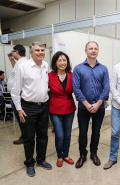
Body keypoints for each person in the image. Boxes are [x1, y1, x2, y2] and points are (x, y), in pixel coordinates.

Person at [11, 41, 52, 177]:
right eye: (37, 50)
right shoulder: (23, 67)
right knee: (29, 138)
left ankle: (41, 159)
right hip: (28, 107)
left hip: (44, 107)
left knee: (43, 136)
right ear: (30, 52)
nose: (40, 52)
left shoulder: (46, 65)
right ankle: (29, 163)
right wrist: (19, 109)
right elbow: (15, 91)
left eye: (42, 50)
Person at [73, 41, 110, 168]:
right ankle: (82, 155)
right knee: (82, 132)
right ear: (85, 51)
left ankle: (94, 153)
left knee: (96, 132)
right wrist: (87, 104)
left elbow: (106, 88)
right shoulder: (78, 68)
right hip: (84, 107)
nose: (93, 50)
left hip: (99, 107)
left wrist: (98, 103)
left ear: (98, 51)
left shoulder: (103, 69)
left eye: (95, 48)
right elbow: (76, 88)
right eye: (90, 48)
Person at [49, 51, 76, 167]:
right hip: (55, 109)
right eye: (59, 60)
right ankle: (59, 155)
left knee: (68, 134)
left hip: (69, 108)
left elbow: (79, 89)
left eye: (64, 60)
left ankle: (66, 154)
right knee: (59, 135)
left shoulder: (72, 75)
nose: (62, 62)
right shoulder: (49, 75)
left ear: (67, 62)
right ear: (55, 62)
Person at [7, 44, 28, 144]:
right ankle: (25, 135)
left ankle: (25, 136)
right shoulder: (20, 63)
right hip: (15, 96)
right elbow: (15, 70)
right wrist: (11, 60)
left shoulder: (23, 63)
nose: (12, 53)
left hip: (18, 97)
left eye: (13, 52)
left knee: (21, 118)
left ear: (16, 52)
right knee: (21, 118)